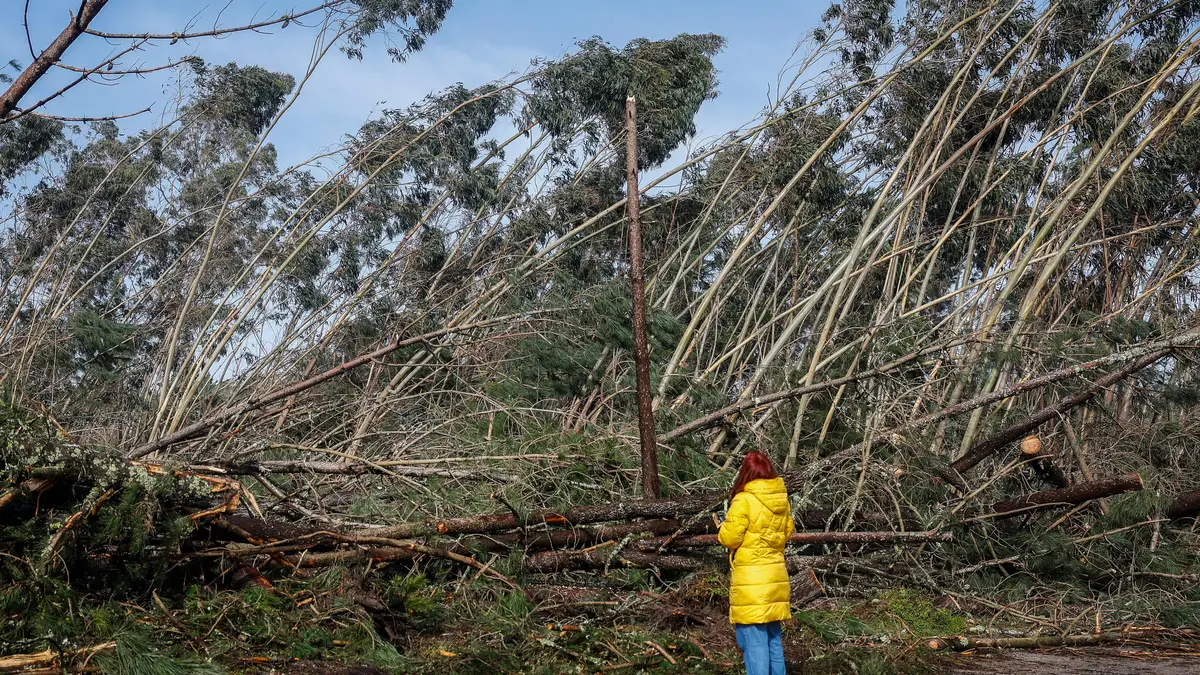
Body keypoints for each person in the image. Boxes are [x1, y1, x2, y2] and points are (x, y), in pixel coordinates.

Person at [717, 450, 793, 675]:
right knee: (773, 639)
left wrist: (722, 528)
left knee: (754, 643)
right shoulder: (781, 500)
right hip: (776, 578)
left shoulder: (744, 500)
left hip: (752, 582)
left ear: (746, 473)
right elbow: (787, 531)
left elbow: (730, 539)